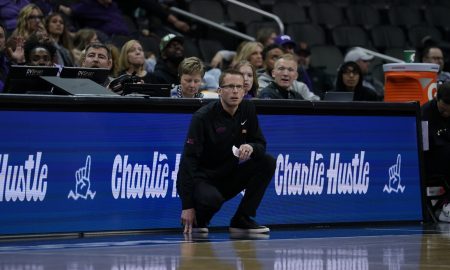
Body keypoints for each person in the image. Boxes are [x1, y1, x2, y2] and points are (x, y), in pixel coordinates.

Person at [177, 69, 276, 234]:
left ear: (245, 91)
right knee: (212, 199)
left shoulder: (248, 109)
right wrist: (187, 206)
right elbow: (188, 162)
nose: (235, 91)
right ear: (219, 91)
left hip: (228, 175)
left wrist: (251, 147)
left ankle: (241, 219)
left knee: (267, 162)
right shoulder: (202, 117)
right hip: (203, 179)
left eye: (239, 87)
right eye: (230, 86)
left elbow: (260, 143)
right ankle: (198, 221)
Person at [422, 82, 450, 222]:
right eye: (444, 111)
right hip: (432, 161)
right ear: (437, 99)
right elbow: (424, 148)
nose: (447, 114)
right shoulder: (425, 114)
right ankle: (446, 206)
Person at [59, 0, 130, 37]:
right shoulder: (88, 5)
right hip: (108, 38)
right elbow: (69, 11)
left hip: (125, 36)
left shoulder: (113, 5)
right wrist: (59, 7)